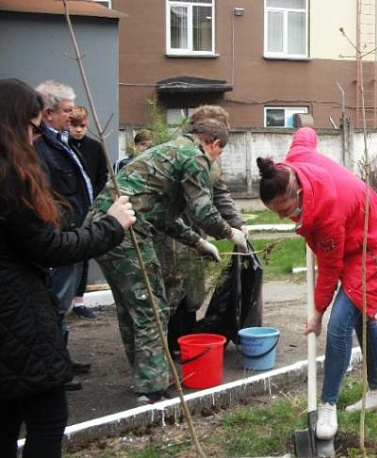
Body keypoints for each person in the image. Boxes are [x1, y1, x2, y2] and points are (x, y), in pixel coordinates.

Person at [0, 77, 136, 458]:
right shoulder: (10, 177)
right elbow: (47, 247)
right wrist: (111, 226)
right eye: (32, 129)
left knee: (6, 420)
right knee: (47, 418)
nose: (35, 139)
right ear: (12, 125)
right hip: (15, 315)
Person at [84, 117, 248, 405]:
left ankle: (146, 375)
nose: (216, 159)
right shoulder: (194, 156)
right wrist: (230, 233)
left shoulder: (170, 151)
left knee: (130, 306)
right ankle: (152, 388)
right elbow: (203, 211)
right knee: (152, 306)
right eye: (219, 152)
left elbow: (162, 216)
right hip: (127, 233)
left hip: (102, 227)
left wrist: (198, 242)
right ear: (213, 144)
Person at [257, 127, 377, 440]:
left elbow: (330, 269)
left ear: (298, 191)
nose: (283, 217)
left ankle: (328, 405)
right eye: (277, 213)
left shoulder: (326, 215)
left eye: (285, 210)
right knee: (362, 317)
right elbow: (305, 135)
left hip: (375, 253)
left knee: (339, 324)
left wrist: (317, 314)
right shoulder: (295, 160)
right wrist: (305, 126)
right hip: (356, 245)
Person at [162, 105, 248, 354]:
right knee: (173, 286)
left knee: (193, 289)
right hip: (171, 229)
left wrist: (238, 222)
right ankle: (167, 344)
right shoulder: (183, 152)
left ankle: (186, 339)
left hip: (196, 230)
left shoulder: (212, 161)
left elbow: (220, 194)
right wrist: (228, 232)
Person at [33, 80, 95, 387]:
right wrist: (66, 228)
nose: (72, 116)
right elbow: (47, 195)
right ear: (49, 113)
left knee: (63, 302)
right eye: (67, 111)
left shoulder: (61, 141)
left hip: (74, 234)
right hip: (62, 236)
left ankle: (61, 359)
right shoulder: (40, 147)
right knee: (55, 303)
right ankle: (55, 368)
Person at [69, 105, 109, 320]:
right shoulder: (62, 146)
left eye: (82, 126)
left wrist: (96, 201)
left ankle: (79, 301)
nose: (78, 130)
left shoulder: (95, 147)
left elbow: (103, 176)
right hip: (67, 208)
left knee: (84, 253)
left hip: (88, 207)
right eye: (74, 125)